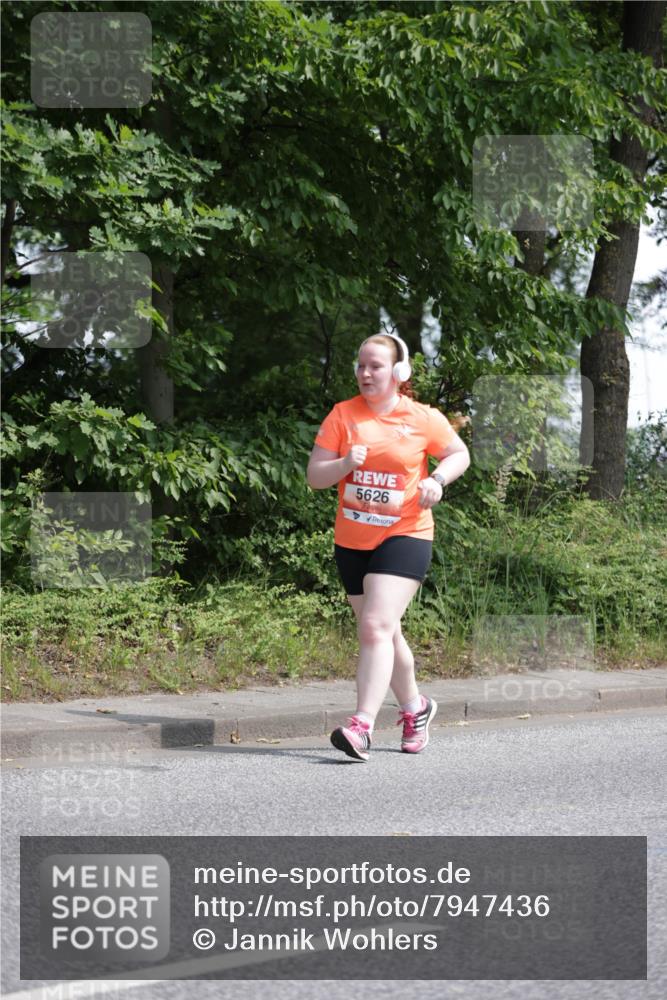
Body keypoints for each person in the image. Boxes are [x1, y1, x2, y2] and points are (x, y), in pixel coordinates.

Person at [306, 332, 470, 762]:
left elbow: (459, 454)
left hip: (406, 533)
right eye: (360, 365)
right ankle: (416, 708)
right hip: (352, 541)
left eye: (375, 366)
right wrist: (345, 464)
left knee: (375, 626)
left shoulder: (421, 418)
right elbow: (315, 476)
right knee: (385, 631)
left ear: (398, 372)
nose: (364, 373)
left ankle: (361, 726)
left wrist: (437, 479)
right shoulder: (343, 415)